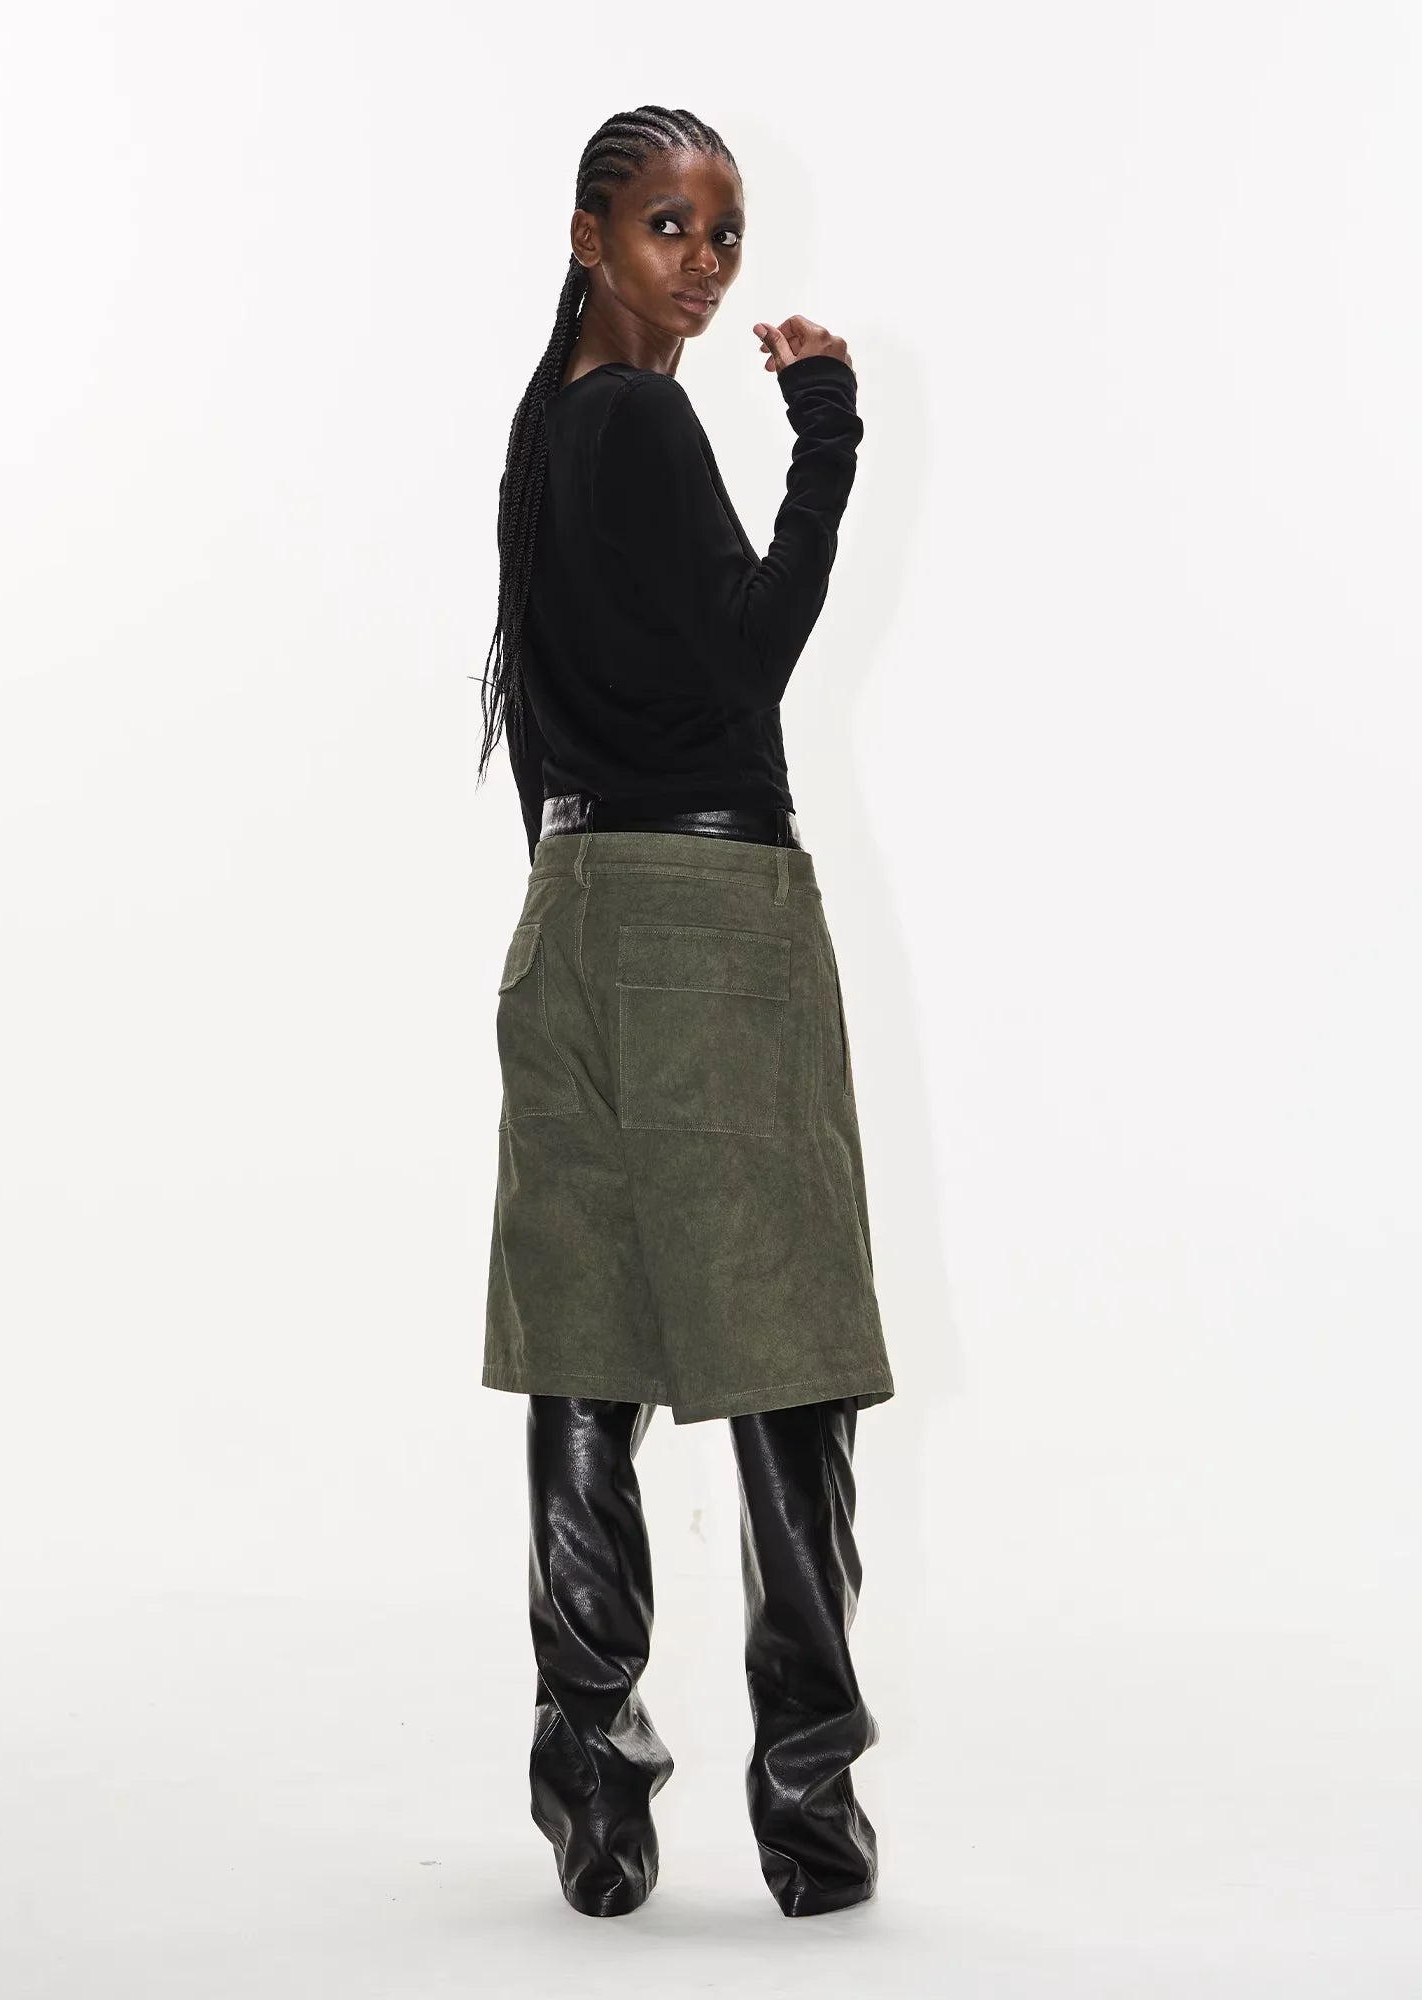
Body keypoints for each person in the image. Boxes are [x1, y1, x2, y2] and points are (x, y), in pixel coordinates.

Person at [474, 104, 895, 1921]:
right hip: (711, 918)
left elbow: (547, 722)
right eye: (668, 225)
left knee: (589, 1347)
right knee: (785, 1352)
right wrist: (828, 435)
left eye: (722, 231)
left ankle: (593, 1792)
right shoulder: (642, 419)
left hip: (569, 911)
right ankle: (809, 1809)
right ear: (589, 239)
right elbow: (748, 655)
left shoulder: (546, 429)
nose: (706, 262)